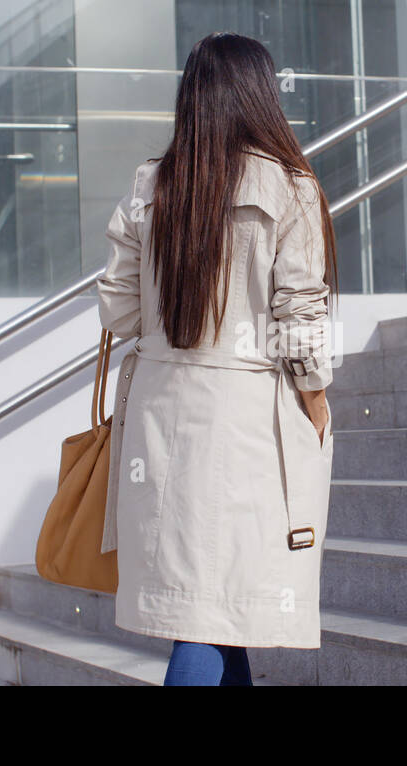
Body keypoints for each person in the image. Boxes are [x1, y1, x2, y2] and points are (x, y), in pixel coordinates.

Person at [96, 32, 339, 686]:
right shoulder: (291, 187)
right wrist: (318, 406)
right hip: (246, 427)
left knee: (211, 608)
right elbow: (301, 327)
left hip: (158, 421)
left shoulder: (152, 186)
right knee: (210, 615)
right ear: (260, 95)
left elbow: (119, 314)